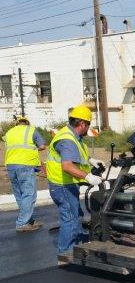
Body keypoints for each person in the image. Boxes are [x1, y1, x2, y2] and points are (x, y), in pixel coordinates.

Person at [46, 105, 104, 266]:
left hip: (66, 184)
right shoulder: (68, 140)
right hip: (62, 185)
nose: (88, 128)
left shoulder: (72, 135)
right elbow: (67, 165)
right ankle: (65, 254)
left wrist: (91, 160)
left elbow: (77, 156)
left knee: (75, 214)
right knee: (70, 219)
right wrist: (88, 176)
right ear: (82, 123)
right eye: (88, 124)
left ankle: (75, 244)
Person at [3, 115, 46, 232]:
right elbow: (42, 146)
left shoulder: (9, 132)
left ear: (17, 124)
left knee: (21, 196)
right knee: (29, 194)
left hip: (11, 166)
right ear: (27, 123)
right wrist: (33, 149)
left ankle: (28, 220)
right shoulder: (31, 130)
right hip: (26, 165)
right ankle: (22, 223)